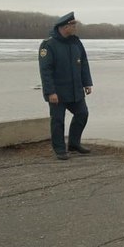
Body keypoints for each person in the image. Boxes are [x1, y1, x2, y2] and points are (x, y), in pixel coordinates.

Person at [38, 12, 93, 160]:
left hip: (75, 90)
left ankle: (74, 144)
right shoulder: (49, 45)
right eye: (73, 25)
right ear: (64, 26)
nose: (75, 27)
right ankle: (60, 149)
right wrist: (50, 92)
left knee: (82, 114)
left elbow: (84, 63)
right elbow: (45, 71)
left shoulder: (76, 42)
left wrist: (87, 82)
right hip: (57, 92)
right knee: (58, 120)